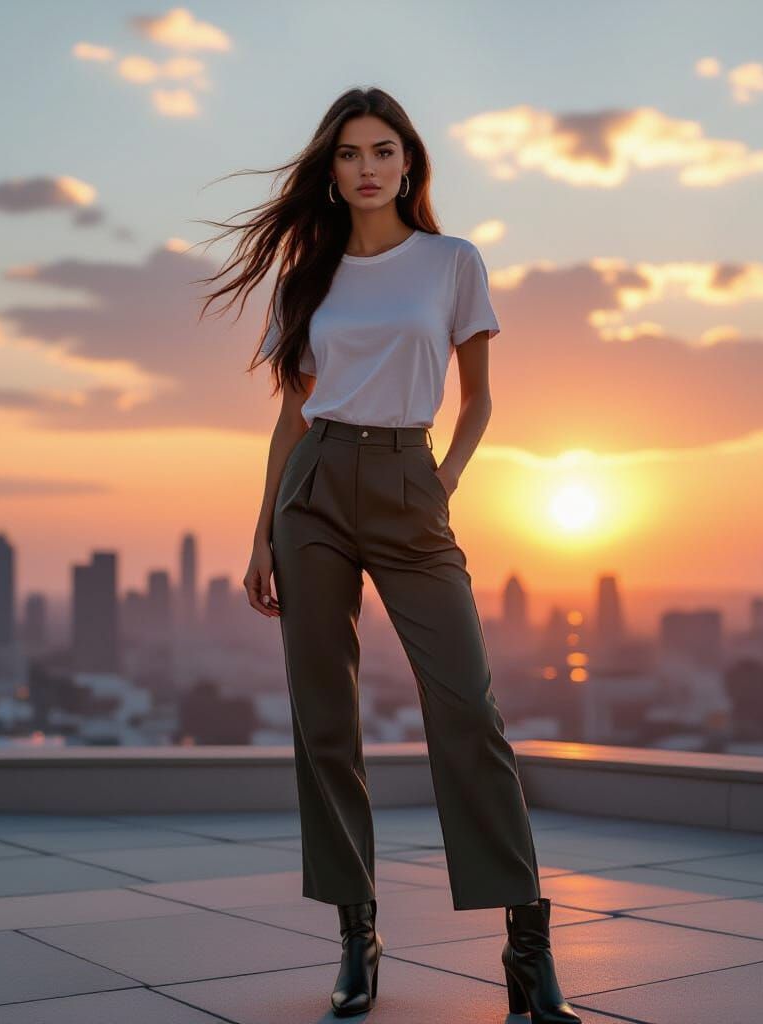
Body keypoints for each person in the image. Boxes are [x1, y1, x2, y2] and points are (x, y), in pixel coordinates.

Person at [196, 86, 581, 1023]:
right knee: (324, 719)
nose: (366, 166)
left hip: (412, 481)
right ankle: (356, 934)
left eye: (382, 150)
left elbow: (479, 399)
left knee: (468, 710)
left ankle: (527, 947)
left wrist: (439, 484)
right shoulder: (309, 276)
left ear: (409, 162)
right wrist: (261, 530)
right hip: (314, 492)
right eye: (348, 154)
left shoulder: (452, 263)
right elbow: (292, 410)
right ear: (330, 172)